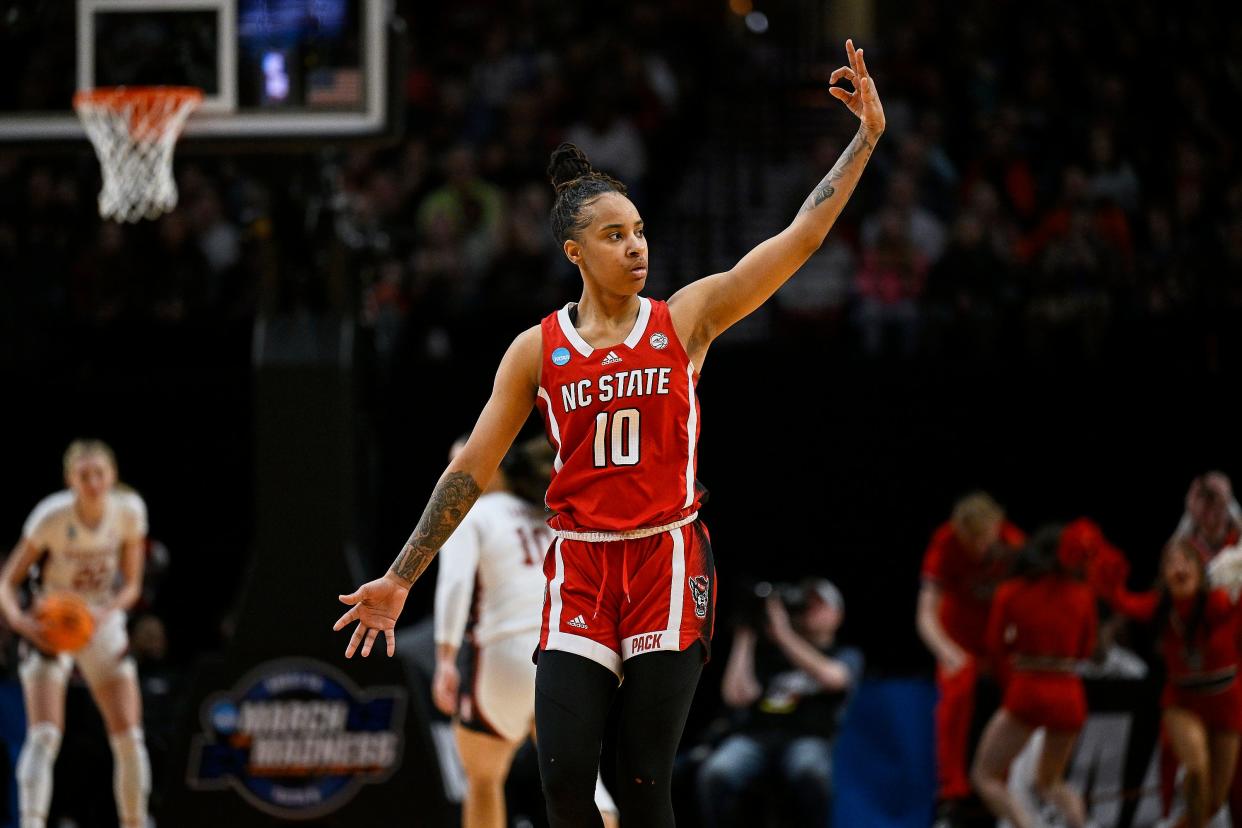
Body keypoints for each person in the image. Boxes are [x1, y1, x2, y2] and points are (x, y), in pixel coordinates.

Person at [334, 39, 884, 827]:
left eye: (638, 230)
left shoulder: (685, 318)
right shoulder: (536, 349)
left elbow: (800, 238)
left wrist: (864, 137)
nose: (636, 246)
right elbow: (470, 471)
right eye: (615, 235)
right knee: (561, 783)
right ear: (575, 252)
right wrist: (400, 577)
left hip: (666, 556)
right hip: (582, 567)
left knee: (639, 783)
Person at [431, 435, 618, 828]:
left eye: (461, 464)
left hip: (504, 661)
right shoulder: (552, 515)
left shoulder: (472, 513)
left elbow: (453, 586)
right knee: (585, 786)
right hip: (570, 654)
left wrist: (445, 659)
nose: (454, 475)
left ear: (492, 466)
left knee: (483, 781)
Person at [0, 440, 151, 828]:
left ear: (113, 475)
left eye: (100, 473)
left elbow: (132, 585)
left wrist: (107, 612)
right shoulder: (50, 516)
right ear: (70, 480)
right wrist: (21, 622)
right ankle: (31, 822)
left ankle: (134, 821)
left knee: (130, 739)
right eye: (84, 475)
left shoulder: (129, 513)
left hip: (100, 618)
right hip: (52, 623)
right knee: (45, 735)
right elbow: (7, 580)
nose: (93, 482)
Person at [697, 579, 861, 827]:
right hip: (756, 736)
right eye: (807, 605)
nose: (809, 612)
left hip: (807, 737)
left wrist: (784, 634)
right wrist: (746, 635)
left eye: (819, 606)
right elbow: (735, 696)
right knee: (717, 772)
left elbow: (834, 678)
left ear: (838, 614)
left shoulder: (845, 653)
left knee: (811, 772)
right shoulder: (770, 652)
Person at [1109, 538, 1242, 828]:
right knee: (1196, 768)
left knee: (1214, 802)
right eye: (1171, 562)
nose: (1178, 567)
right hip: (1183, 702)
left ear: (1200, 568)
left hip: (1227, 704)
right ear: (1163, 574)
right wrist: (1107, 569)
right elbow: (1119, 599)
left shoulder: (1221, 603)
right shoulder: (1159, 608)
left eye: (1185, 561)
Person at [970, 526, 1096, 828]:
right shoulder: (1083, 595)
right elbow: (1085, 649)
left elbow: (995, 646)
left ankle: (1025, 824)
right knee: (1050, 783)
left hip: (1028, 689)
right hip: (1069, 692)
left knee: (984, 775)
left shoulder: (1011, 591)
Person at [915, 491, 1026, 816]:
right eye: (971, 541)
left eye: (984, 539)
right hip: (958, 637)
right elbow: (925, 613)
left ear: (997, 528)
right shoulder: (945, 543)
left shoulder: (1015, 543)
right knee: (955, 692)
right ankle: (952, 794)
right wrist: (947, 651)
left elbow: (1027, 605)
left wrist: (1014, 642)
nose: (978, 549)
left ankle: (1008, 787)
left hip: (1000, 637)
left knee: (1021, 700)